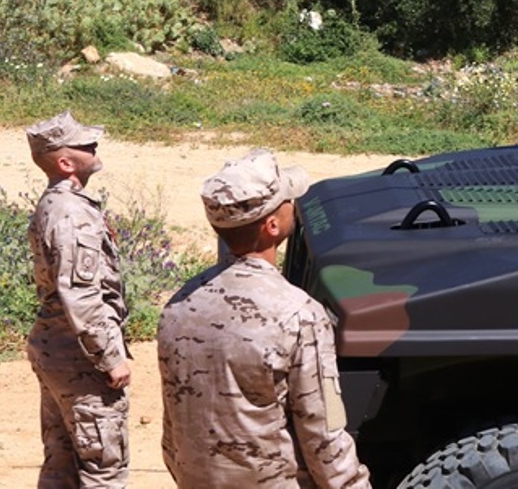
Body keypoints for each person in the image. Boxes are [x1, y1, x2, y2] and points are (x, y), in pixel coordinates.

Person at [157, 148, 371, 489]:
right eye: (287, 200)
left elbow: (175, 426)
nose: (293, 205)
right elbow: (324, 435)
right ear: (272, 226)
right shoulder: (298, 315)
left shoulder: (179, 306)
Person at [26, 111, 131, 488]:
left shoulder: (56, 204)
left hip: (57, 347)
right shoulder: (71, 213)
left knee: (62, 461)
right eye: (85, 145)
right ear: (65, 163)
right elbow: (81, 293)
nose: (94, 147)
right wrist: (109, 356)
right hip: (81, 359)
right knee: (103, 468)